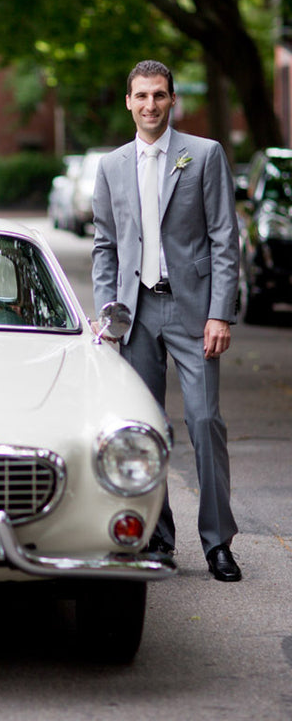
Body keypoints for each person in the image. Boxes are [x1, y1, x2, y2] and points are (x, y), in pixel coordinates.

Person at [91, 60, 242, 582]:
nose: (150, 104)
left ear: (172, 100)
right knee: (145, 430)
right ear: (128, 103)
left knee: (204, 423)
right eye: (141, 96)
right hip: (135, 314)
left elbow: (225, 239)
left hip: (193, 311)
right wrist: (106, 311)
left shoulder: (203, 155)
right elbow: (105, 246)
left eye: (159, 95)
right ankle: (158, 538)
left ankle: (219, 542)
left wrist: (221, 312)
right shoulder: (111, 167)